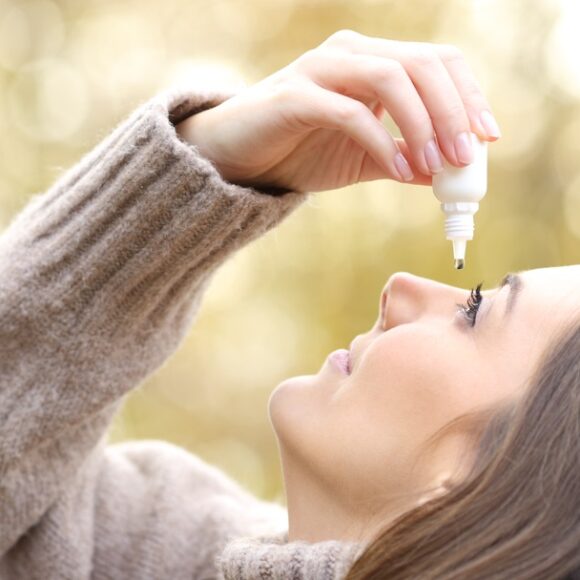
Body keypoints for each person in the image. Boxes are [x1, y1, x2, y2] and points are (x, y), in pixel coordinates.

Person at [0, 28, 578, 580]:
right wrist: (204, 166)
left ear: (498, 486)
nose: (399, 286)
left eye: (474, 311)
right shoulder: (155, 548)